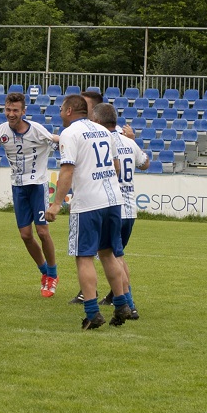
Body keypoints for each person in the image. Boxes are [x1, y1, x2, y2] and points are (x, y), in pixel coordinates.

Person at [45, 94, 133, 330]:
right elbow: (115, 165)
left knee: (83, 257)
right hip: (113, 200)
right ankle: (122, 304)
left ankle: (93, 313)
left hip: (88, 204)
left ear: (71, 110)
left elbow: (67, 171)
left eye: (62, 109)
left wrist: (55, 204)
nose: (60, 113)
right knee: (108, 253)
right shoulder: (104, 131)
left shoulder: (70, 133)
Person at [0, 92, 60, 296]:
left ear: (23, 111)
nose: (11, 114)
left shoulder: (37, 130)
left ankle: (52, 275)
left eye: (15, 110)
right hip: (18, 188)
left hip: (37, 185)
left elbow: (58, 141)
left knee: (43, 232)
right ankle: (44, 271)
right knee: (26, 235)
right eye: (8, 110)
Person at [92, 102, 148, 318]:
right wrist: (134, 143)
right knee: (117, 256)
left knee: (115, 258)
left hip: (112, 207)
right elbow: (145, 164)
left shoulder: (101, 141)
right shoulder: (128, 141)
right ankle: (119, 298)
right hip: (130, 209)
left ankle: (129, 304)